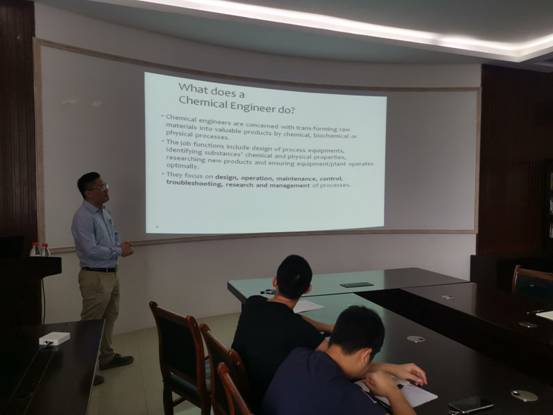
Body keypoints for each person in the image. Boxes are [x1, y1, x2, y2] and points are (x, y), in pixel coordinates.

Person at [262, 305, 427, 415]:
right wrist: (392, 391)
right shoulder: (348, 398)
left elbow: (344, 367)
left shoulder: (299, 356)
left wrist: (393, 369)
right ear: (365, 355)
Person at [231, 254, 332, 409]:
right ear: (307, 289)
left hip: (236, 393)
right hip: (267, 404)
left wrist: (328, 327)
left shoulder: (252, 303)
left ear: (274, 281)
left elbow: (291, 316)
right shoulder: (300, 329)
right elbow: (333, 357)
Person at [71, 172, 134, 386]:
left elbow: (113, 237)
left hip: (110, 273)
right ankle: (83, 371)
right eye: (101, 186)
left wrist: (120, 246)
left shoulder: (104, 212)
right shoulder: (83, 217)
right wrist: (119, 250)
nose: (106, 189)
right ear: (88, 193)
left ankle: (107, 357)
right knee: (91, 324)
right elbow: (90, 250)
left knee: (110, 316)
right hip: (95, 276)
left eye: (105, 184)